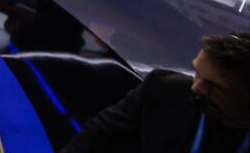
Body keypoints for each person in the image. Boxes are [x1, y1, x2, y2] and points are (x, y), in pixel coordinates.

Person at [63, 31, 250, 152]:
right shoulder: (164, 90)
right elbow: (93, 139)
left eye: (213, 86)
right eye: (197, 73)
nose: (196, 88)